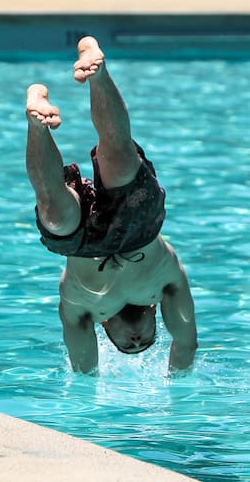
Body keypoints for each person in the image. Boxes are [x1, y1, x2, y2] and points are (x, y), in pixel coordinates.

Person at [25, 36, 197, 375]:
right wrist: (177, 383)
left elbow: (84, 372)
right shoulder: (165, 288)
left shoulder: (83, 311)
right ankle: (97, 73)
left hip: (81, 244)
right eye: (145, 341)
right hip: (138, 230)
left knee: (54, 212)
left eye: (128, 345)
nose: (136, 340)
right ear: (156, 317)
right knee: (118, 156)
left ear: (104, 329)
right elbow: (187, 343)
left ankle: (37, 123)